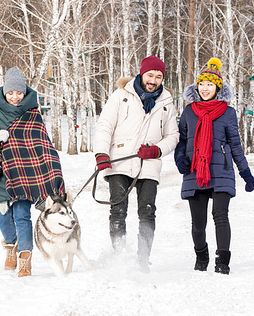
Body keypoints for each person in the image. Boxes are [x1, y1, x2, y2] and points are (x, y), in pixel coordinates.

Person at [0, 68, 65, 277]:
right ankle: (10, 246)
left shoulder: (32, 113)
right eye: (11, 93)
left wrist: (53, 173)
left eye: (19, 93)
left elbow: (42, 145)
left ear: (24, 92)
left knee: (22, 216)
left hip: (24, 175)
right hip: (0, 174)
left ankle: (25, 259)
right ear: (5, 92)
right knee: (1, 216)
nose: (15, 97)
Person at [93, 55, 179, 271]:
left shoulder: (167, 103)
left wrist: (157, 150)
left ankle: (142, 261)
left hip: (149, 164)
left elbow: (173, 135)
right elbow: (105, 125)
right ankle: (119, 257)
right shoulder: (121, 95)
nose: (154, 80)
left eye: (159, 76)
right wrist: (102, 153)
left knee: (148, 211)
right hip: (119, 160)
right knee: (118, 210)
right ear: (142, 73)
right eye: (150, 75)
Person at [174, 57, 254, 275]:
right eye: (201, 84)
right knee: (198, 224)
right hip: (195, 171)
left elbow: (236, 146)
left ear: (217, 87)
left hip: (221, 170)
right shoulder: (189, 111)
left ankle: (223, 261)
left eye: (210, 84)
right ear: (197, 86)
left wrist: (246, 173)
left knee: (220, 215)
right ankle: (201, 256)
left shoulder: (227, 112)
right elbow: (181, 140)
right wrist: (180, 157)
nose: (205, 88)